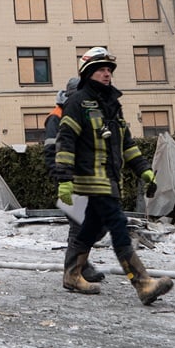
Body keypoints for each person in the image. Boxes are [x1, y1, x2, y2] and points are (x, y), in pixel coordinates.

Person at [55, 47, 173, 305]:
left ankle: (72, 274)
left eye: (109, 70)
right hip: (91, 179)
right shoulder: (77, 103)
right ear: (88, 73)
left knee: (92, 227)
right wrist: (63, 178)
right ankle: (142, 283)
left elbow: (127, 144)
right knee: (118, 224)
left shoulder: (112, 105)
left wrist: (144, 169)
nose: (107, 74)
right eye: (101, 70)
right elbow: (65, 143)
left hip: (110, 179)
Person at [43, 75, 106, 284]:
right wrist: (62, 179)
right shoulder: (57, 117)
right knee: (80, 225)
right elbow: (52, 151)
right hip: (69, 178)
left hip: (88, 177)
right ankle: (75, 271)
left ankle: (81, 264)